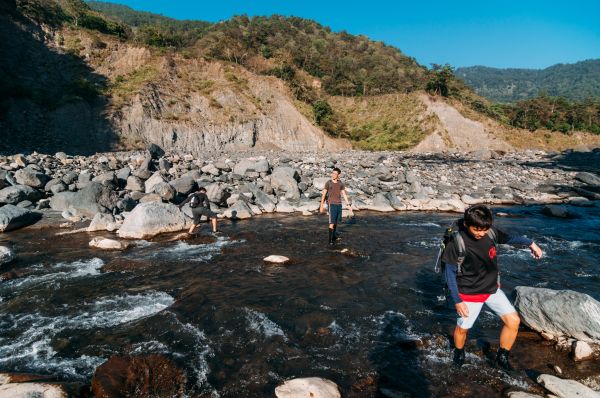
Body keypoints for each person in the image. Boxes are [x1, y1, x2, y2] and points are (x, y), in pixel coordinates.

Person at [441, 204, 543, 371]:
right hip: (469, 294)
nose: (481, 233)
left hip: (492, 289)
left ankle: (501, 357)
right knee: (462, 330)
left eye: (485, 229)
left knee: (513, 321)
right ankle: (459, 352)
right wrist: (458, 301)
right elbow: (449, 274)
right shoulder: (456, 243)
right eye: (477, 229)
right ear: (467, 224)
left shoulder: (490, 232)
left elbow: (510, 239)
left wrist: (531, 243)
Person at [319, 167, 351, 245]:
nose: (333, 175)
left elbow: (344, 194)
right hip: (331, 204)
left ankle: (334, 236)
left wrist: (348, 204)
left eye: (335, 174)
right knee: (332, 222)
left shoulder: (340, 183)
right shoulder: (328, 183)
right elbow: (323, 194)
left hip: (339, 204)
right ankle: (330, 241)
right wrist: (321, 206)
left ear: (338, 175)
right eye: (332, 173)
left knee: (336, 221)